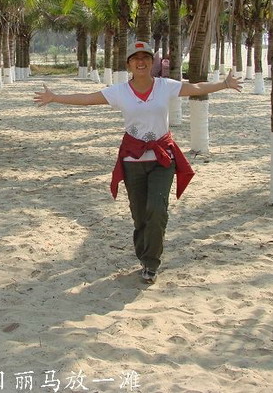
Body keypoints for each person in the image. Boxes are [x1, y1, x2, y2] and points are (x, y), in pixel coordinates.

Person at [34, 41, 243, 284]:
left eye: (146, 57)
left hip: (162, 159)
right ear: (129, 64)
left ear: (152, 62)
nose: (141, 62)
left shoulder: (164, 87)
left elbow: (195, 87)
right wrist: (55, 97)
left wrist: (224, 84)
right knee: (139, 214)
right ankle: (144, 255)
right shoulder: (120, 92)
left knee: (157, 209)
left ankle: (151, 262)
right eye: (136, 58)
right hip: (133, 160)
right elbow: (88, 98)